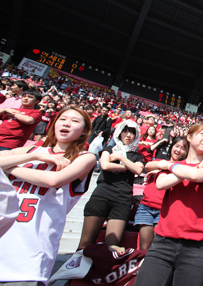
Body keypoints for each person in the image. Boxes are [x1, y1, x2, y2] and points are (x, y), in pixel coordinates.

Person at [0, 106, 96, 284]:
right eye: (62, 119)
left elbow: (54, 180)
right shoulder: (31, 152)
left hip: (30, 256)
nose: (67, 123)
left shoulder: (85, 157)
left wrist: (11, 168)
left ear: (84, 131)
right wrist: (34, 156)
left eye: (75, 121)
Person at [135, 122, 203, 286]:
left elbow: (196, 176)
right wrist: (178, 167)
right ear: (189, 137)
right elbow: (161, 184)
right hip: (163, 242)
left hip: (196, 247)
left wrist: (169, 165)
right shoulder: (175, 165)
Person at [78, 120, 144, 250]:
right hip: (102, 194)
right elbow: (105, 165)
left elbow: (138, 170)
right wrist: (128, 167)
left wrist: (121, 158)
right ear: (119, 133)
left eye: (132, 133)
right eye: (125, 131)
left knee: (112, 247)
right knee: (85, 244)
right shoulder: (108, 149)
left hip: (123, 199)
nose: (128, 135)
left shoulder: (137, 156)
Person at [133, 136, 188, 250]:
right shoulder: (160, 161)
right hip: (146, 207)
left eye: (183, 148)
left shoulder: (185, 169)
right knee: (144, 247)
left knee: (156, 248)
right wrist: (163, 167)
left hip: (166, 210)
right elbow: (147, 166)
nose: (178, 150)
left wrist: (161, 170)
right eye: (176, 146)